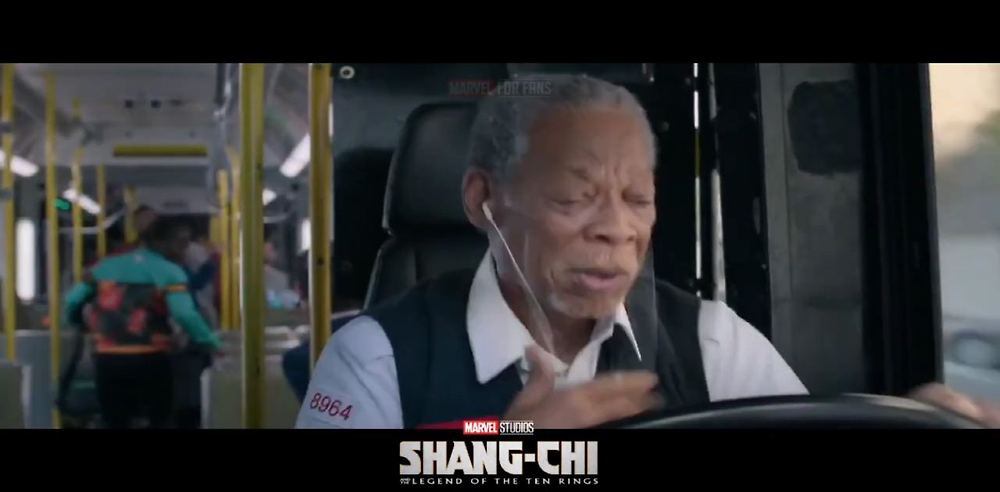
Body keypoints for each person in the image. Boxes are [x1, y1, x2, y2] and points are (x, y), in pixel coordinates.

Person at [296, 74, 1000, 429]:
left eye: (637, 199)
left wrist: (909, 424)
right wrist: (507, 460)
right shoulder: (377, 356)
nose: (617, 230)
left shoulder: (710, 342)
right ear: (484, 201)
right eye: (574, 198)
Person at [64, 216, 222, 429]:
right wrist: (211, 342)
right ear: (161, 242)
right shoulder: (170, 272)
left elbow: (72, 301)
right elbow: (184, 314)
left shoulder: (103, 267)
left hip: (108, 357)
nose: (185, 251)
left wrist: (77, 323)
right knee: (159, 419)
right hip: (152, 356)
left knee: (114, 420)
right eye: (181, 244)